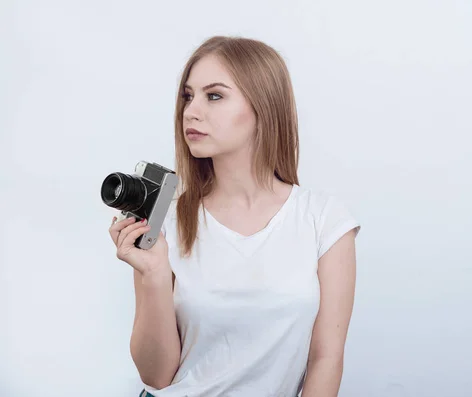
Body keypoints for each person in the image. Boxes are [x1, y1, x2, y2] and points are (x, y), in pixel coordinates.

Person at [108, 35, 360, 397]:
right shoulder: (166, 219)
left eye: (214, 96)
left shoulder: (324, 220)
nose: (191, 111)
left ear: (264, 106)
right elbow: (157, 376)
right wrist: (154, 275)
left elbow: (326, 360)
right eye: (188, 97)